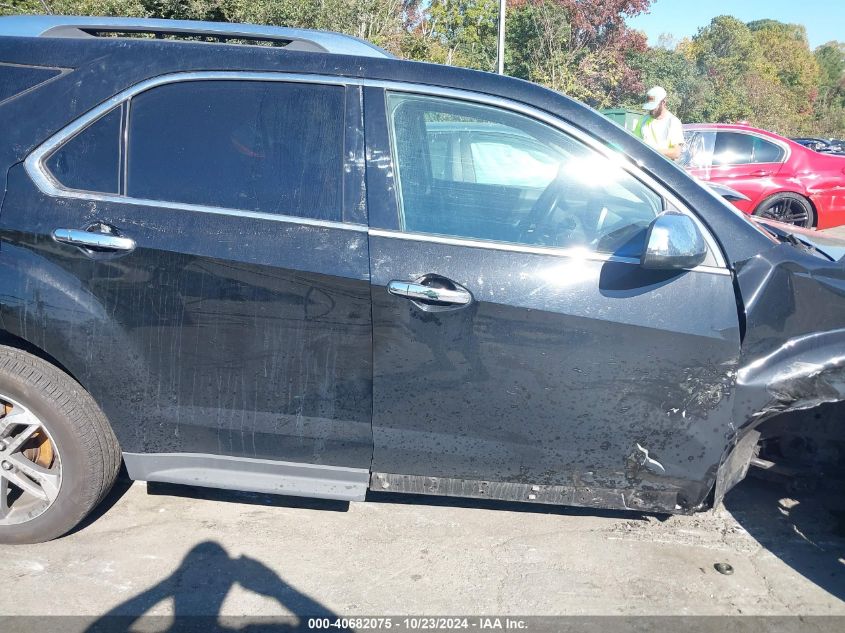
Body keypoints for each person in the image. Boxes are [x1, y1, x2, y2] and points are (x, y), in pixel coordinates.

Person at [635, 86, 684, 161]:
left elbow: (676, 153)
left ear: (663, 102)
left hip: (662, 169)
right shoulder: (643, 120)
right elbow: (634, 143)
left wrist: (652, 151)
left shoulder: (673, 122)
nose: (651, 109)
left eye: (654, 106)